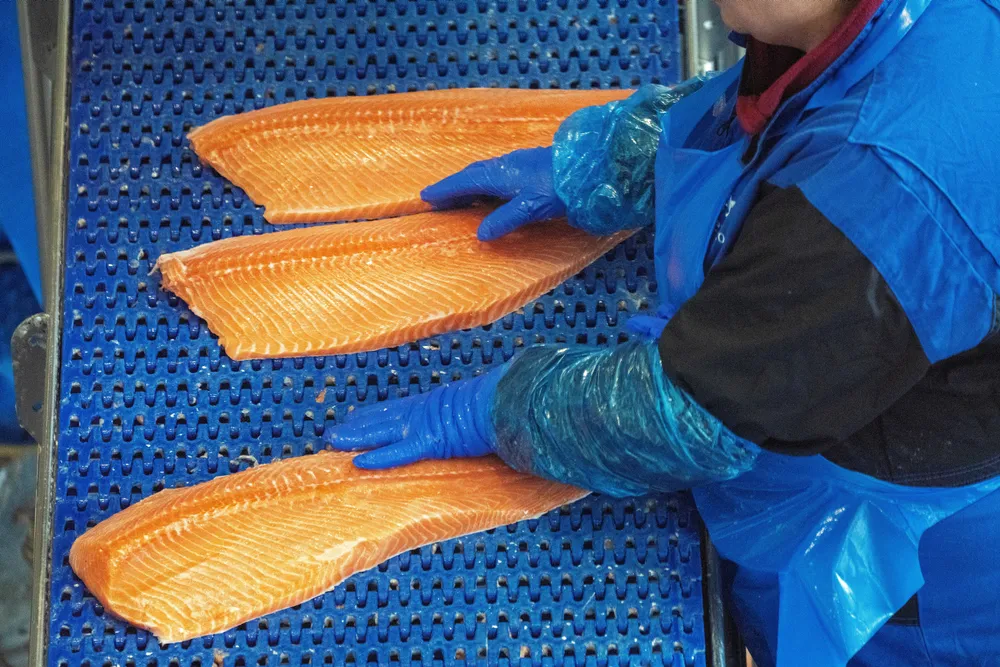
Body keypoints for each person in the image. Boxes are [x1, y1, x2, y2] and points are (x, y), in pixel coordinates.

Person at [327, 0, 1000, 664]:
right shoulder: (857, 20)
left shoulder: (891, 195)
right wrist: (613, 163)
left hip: (905, 571)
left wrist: (498, 410)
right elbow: (792, 106)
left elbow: (687, 415)